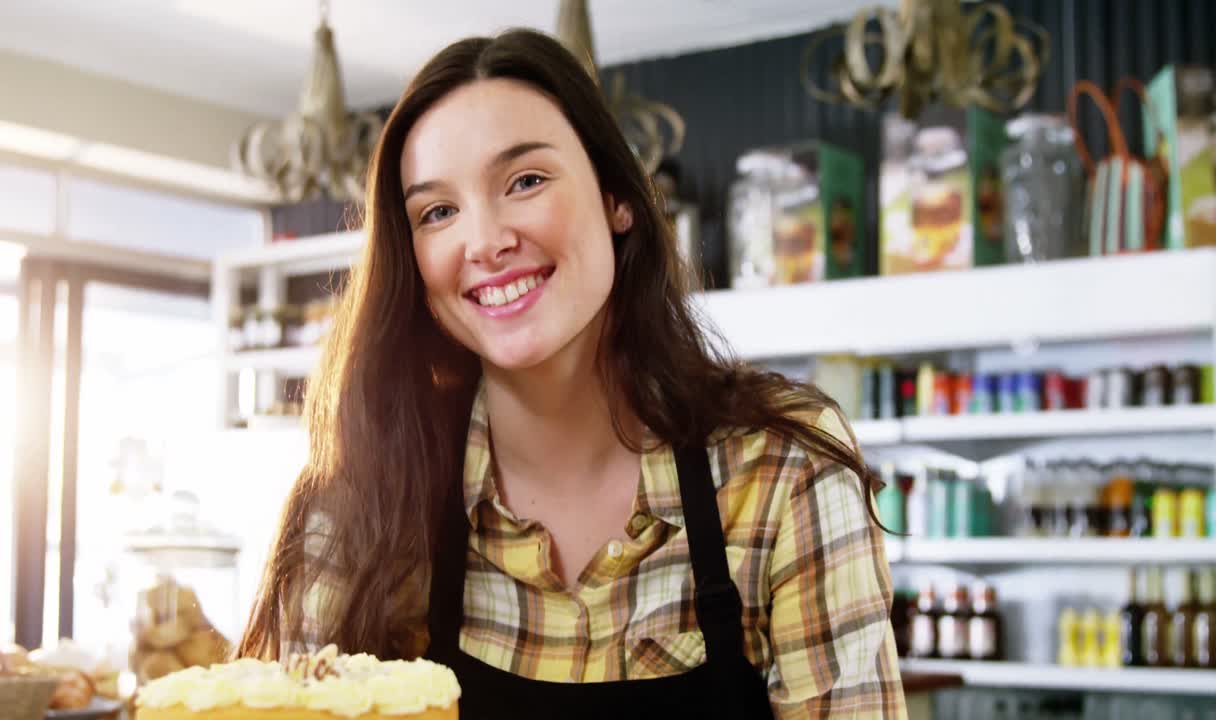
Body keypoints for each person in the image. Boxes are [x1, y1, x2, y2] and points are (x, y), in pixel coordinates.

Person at [239, 28, 905, 719]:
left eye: (525, 181)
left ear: (618, 197)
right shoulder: (356, 507)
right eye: (438, 212)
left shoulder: (782, 469)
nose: (487, 241)